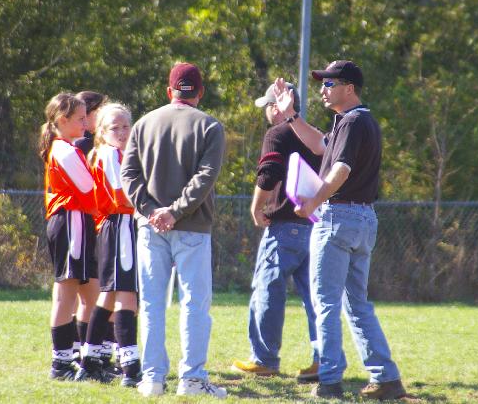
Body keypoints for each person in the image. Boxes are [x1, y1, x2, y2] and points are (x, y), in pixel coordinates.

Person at [273, 60, 407, 400]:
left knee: (326, 303)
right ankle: (386, 378)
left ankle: (330, 381)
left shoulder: (352, 121)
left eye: (329, 84)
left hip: (338, 218)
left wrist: (314, 202)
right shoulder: (360, 121)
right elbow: (320, 145)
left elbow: (341, 170)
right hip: (362, 219)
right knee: (357, 304)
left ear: (349, 88)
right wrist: (291, 116)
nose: (323, 89)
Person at [120, 62, 227, 398]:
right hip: (193, 226)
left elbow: (128, 175)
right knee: (195, 304)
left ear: (169, 91)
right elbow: (205, 177)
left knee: (152, 303)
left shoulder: (143, 124)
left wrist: (152, 210)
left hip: (150, 226)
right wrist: (176, 211)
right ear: (200, 92)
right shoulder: (210, 126)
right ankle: (192, 380)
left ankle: (152, 379)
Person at [231, 84, 322, 381]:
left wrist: (256, 207)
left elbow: (269, 173)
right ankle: (324, 359)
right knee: (316, 298)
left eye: (268, 106)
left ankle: (265, 359)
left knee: (267, 289)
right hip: (316, 225)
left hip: (284, 226)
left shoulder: (277, 133)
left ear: (276, 106)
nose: (267, 113)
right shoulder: (316, 135)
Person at [75, 103, 141, 386]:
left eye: (126, 126)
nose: (122, 132)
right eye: (115, 127)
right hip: (120, 225)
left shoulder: (116, 153)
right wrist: (152, 202)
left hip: (117, 227)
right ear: (101, 131)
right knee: (127, 297)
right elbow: (121, 195)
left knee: (109, 297)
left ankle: (89, 362)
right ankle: (131, 368)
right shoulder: (110, 153)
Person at [39, 92, 99, 381]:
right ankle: (61, 363)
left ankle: (87, 358)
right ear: (62, 121)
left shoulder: (67, 147)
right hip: (70, 222)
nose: (86, 124)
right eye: (80, 119)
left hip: (77, 221)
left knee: (90, 294)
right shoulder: (64, 150)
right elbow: (89, 188)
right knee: (66, 295)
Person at [72, 91, 117, 372]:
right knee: (95, 296)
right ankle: (89, 353)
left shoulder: (102, 144)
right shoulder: (83, 146)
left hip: (98, 226)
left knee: (101, 294)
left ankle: (95, 353)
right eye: (101, 109)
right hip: (92, 226)